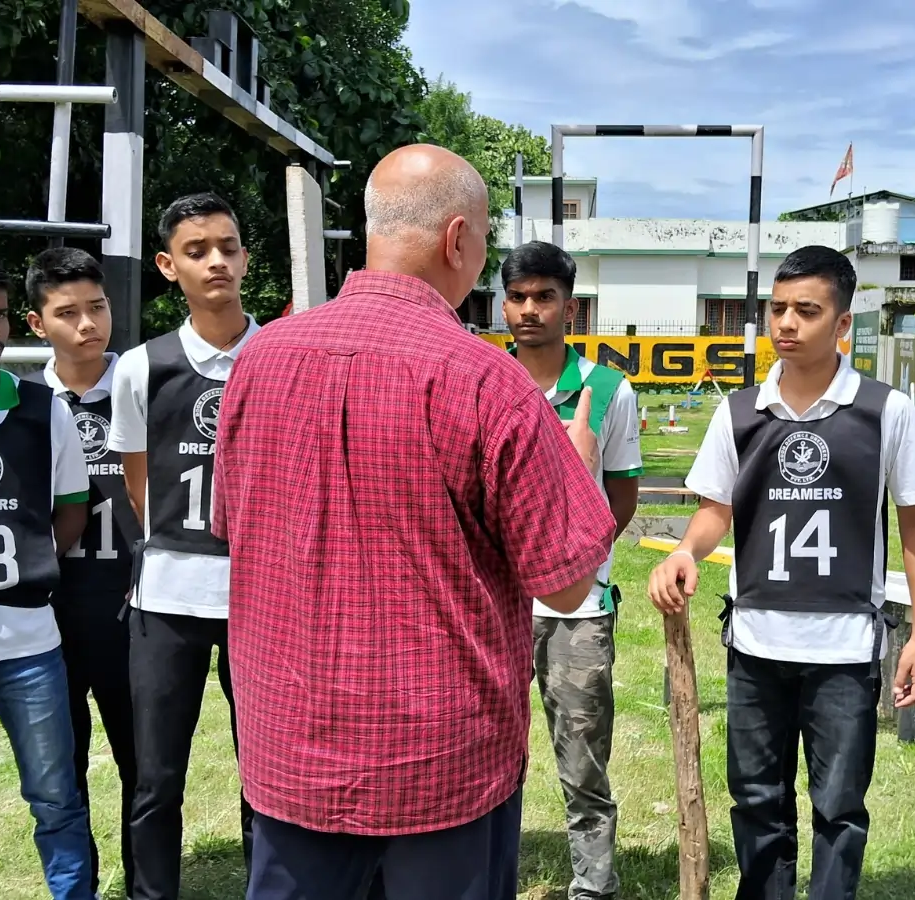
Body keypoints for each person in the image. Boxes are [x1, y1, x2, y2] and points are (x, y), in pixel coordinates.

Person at [211, 143, 616, 900]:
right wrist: (579, 460)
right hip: (441, 766)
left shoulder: (258, 362)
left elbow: (236, 528)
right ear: (457, 238)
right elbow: (566, 589)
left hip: (291, 747)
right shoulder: (485, 380)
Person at [647, 245, 915, 899]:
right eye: (777, 309)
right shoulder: (740, 411)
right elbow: (715, 509)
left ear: (842, 323)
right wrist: (685, 551)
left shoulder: (884, 412)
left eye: (806, 311)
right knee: (755, 802)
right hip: (754, 645)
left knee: (838, 808)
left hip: (844, 649)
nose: (786, 323)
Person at [108, 193, 260, 900]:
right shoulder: (142, 366)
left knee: (265, 770)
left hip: (262, 598)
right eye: (197, 250)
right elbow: (140, 485)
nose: (217, 261)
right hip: (168, 596)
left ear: (247, 258)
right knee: (155, 774)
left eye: (228, 246)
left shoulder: (281, 356)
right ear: (169, 266)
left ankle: (276, 887)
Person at [500, 240, 641, 900]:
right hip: (490, 607)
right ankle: (487, 877)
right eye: (519, 296)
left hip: (578, 611)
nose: (530, 310)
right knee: (485, 759)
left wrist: (571, 524)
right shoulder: (482, 378)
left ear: (569, 306)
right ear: (504, 304)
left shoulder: (609, 390)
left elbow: (621, 499)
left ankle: (593, 887)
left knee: (582, 761)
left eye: (544, 297)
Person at [0, 252, 94, 899]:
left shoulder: (46, 411)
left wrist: (37, 564)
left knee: (55, 797)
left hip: (28, 642)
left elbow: (72, 507)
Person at [23, 247, 142, 899]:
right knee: (58, 769)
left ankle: (144, 883)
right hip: (50, 615)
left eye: (96, 307)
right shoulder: (22, 404)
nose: (87, 324)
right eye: (66, 313)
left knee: (142, 765)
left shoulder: (146, 385)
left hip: (135, 611)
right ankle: (79, 886)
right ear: (38, 324)